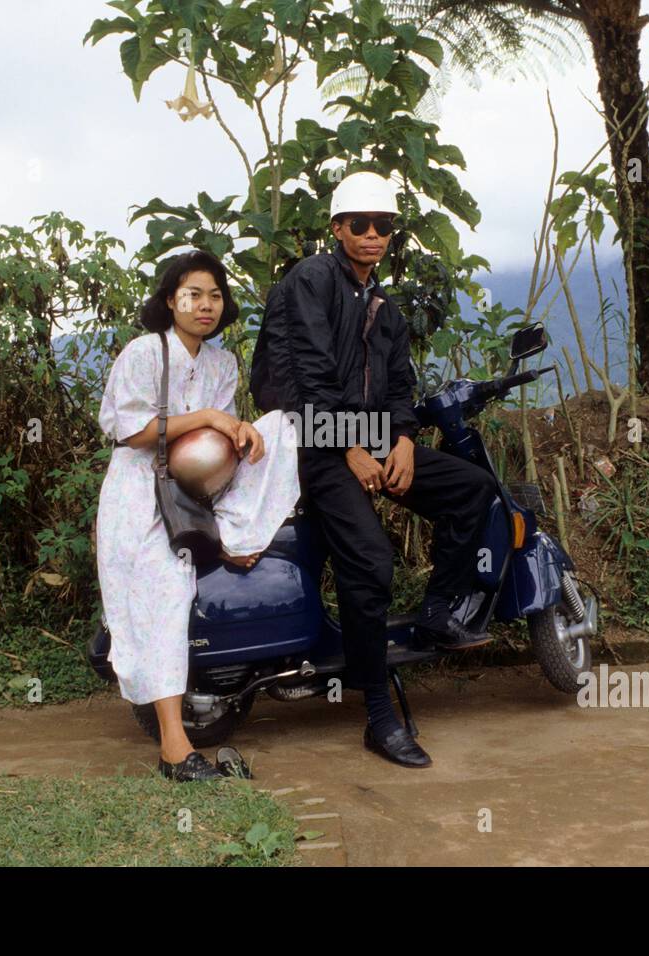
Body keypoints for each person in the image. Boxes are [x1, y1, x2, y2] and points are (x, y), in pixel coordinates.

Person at [250, 171, 498, 769]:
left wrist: (405, 439)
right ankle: (378, 716)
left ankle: (438, 612)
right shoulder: (311, 280)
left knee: (474, 488)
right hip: (311, 441)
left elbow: (398, 385)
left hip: (370, 437)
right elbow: (307, 381)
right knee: (371, 560)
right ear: (336, 229)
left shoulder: (382, 303)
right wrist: (349, 450)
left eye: (382, 225)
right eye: (358, 224)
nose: (371, 235)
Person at [96, 250, 300, 782]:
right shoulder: (146, 351)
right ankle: (173, 748)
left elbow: (216, 442)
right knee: (163, 593)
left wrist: (240, 428)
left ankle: (238, 531)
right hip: (142, 489)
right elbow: (129, 431)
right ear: (171, 300)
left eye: (214, 295)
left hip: (199, 483)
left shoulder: (221, 363)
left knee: (282, 427)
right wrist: (211, 416)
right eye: (193, 294)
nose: (205, 305)